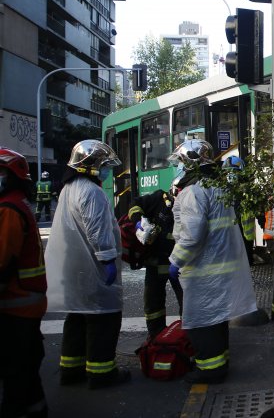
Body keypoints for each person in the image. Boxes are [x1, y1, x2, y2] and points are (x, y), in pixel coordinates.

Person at [167, 139, 257, 384]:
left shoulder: (193, 192)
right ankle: (220, 360)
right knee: (217, 318)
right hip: (220, 267)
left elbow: (192, 235)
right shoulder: (217, 186)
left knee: (200, 321)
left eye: (181, 164)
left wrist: (176, 262)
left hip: (202, 269)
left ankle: (210, 370)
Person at [44, 140, 131, 389]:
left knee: (77, 316)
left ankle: (71, 370)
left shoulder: (69, 188)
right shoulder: (91, 192)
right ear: (91, 166)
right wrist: (107, 258)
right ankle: (102, 373)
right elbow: (97, 230)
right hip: (94, 265)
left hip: (75, 267)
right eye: (105, 166)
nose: (108, 171)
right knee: (103, 318)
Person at [0, 148, 49, 417]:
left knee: (16, 372)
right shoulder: (18, 204)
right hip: (27, 304)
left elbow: (2, 263)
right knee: (26, 371)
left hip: (16, 307)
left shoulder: (8, 210)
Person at [128, 188, 184, 339]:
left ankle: (189, 335)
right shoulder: (159, 198)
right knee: (152, 303)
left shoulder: (188, 203)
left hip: (178, 263)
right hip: (156, 261)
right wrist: (138, 221)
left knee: (186, 301)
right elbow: (135, 204)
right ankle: (155, 335)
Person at [222, 156, 257, 265]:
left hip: (242, 225)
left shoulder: (246, 188)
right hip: (234, 223)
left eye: (233, 171)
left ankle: (247, 261)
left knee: (245, 245)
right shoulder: (224, 188)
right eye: (228, 172)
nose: (230, 175)